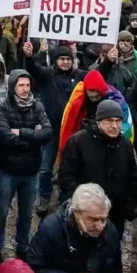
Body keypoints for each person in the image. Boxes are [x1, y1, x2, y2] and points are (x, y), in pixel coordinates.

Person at [0, 69, 52, 267]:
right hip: (7, 170)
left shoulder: (38, 106)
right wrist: (32, 135)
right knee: (1, 213)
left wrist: (21, 133)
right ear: (13, 87)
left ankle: (22, 246)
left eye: (27, 85)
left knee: (26, 214)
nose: (25, 89)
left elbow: (48, 132)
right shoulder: (1, 107)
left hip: (31, 171)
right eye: (21, 85)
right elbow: (4, 136)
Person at [22, 43, 88, 214]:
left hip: (72, 131)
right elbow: (34, 70)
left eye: (68, 59)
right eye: (62, 59)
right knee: (45, 168)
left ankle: (65, 198)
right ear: (56, 60)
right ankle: (43, 196)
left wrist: (108, 61)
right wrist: (29, 56)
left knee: (68, 168)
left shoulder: (80, 76)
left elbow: (96, 76)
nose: (65, 62)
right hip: (50, 130)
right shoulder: (48, 74)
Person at [58, 100, 137, 232]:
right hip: (86, 214)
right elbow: (66, 176)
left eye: (118, 121)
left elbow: (133, 176)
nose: (114, 126)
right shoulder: (78, 142)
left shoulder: (125, 145)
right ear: (98, 121)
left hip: (116, 214)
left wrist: (129, 206)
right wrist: (80, 204)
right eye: (109, 121)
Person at [26, 183, 122, 273]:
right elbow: (34, 271)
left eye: (103, 219)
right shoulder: (50, 229)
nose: (100, 226)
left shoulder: (110, 231)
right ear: (77, 213)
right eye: (93, 220)